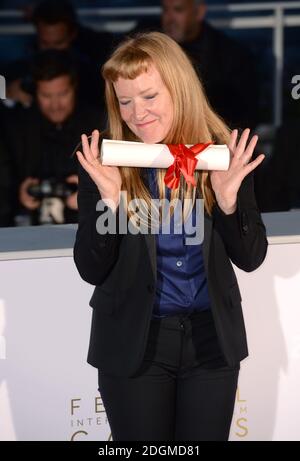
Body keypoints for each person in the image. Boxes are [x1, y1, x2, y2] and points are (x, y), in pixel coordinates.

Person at [73, 32, 268, 441]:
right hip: (135, 344)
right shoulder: (105, 160)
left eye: (148, 97)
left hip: (211, 342)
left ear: (179, 88)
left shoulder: (221, 153)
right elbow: (91, 269)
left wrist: (229, 203)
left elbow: (251, 258)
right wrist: (111, 203)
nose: (136, 113)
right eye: (124, 101)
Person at [9, 49, 105, 225]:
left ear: (74, 88)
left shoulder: (100, 125)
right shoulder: (16, 128)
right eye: (46, 96)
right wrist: (18, 195)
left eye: (63, 94)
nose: (55, 105)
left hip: (91, 230)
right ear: (34, 92)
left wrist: (91, 194)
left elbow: (125, 188)